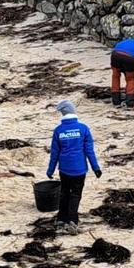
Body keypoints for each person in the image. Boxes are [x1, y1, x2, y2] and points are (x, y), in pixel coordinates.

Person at [46, 100, 101, 234]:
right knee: (75, 194)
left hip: (64, 169)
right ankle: (72, 220)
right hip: (79, 169)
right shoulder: (83, 128)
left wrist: (50, 170)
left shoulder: (59, 130)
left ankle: (61, 218)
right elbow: (89, 151)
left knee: (64, 193)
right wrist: (96, 168)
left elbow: (55, 153)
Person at [111, 37, 134, 108]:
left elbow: (115, 49)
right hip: (130, 58)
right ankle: (129, 101)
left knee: (115, 76)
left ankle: (115, 100)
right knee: (130, 79)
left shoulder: (123, 42)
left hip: (115, 55)